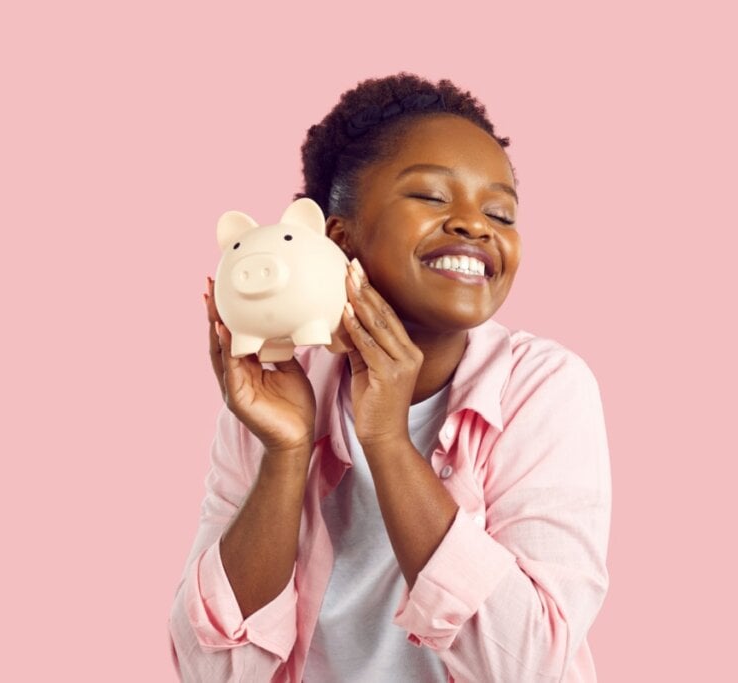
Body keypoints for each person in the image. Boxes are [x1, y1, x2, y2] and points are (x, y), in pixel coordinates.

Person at [168, 72, 612, 682]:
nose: (475, 225)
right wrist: (285, 451)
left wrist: (388, 440)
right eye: (432, 197)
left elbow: (528, 665)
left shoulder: (545, 389)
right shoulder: (278, 390)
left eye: (500, 211)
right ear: (338, 239)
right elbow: (213, 670)